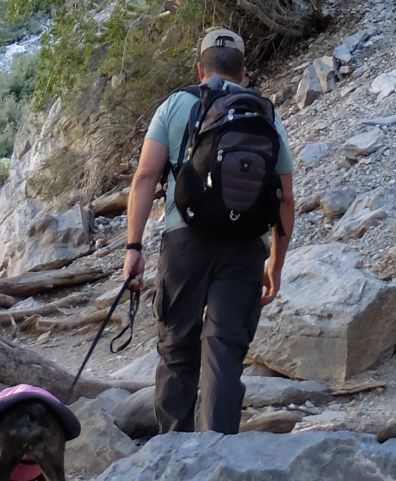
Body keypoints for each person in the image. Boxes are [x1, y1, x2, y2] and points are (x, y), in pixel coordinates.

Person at [123, 27, 296, 435]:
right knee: (224, 354)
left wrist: (133, 247)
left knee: (177, 349)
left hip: (185, 241)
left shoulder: (174, 105)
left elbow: (145, 177)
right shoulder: (264, 114)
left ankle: (173, 452)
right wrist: (275, 264)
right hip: (245, 247)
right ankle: (217, 454)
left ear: (200, 69)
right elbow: (285, 198)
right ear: (244, 72)